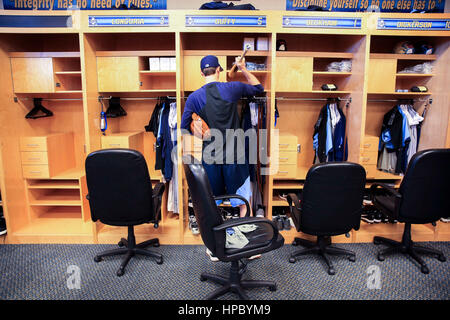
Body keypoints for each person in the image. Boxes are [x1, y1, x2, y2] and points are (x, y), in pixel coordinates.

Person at [181, 55, 263, 261]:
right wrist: (243, 68)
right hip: (236, 155)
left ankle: (215, 247)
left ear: (201, 73)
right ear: (218, 70)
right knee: (243, 200)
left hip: (211, 156)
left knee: (213, 202)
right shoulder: (231, 88)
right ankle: (247, 246)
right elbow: (258, 87)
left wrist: (200, 132)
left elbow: (184, 127)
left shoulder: (194, 98)